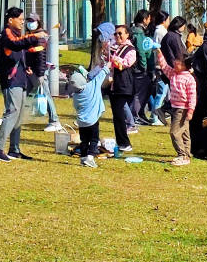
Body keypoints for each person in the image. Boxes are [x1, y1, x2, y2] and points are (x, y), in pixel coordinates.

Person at [0, 7, 46, 163]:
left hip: (21, 79)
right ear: (10, 20)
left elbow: (21, 51)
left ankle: (14, 150)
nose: (23, 21)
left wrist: (28, 65)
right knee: (12, 112)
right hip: (11, 80)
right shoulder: (6, 33)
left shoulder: (17, 35)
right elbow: (15, 45)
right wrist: (35, 36)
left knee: (19, 115)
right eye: (20, 19)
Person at [104, 22, 138, 158]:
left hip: (123, 85)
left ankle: (125, 142)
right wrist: (106, 52)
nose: (117, 36)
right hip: (113, 85)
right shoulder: (114, 48)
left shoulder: (130, 50)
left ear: (127, 35)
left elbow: (124, 64)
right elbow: (107, 62)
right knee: (117, 115)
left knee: (119, 115)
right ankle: (122, 142)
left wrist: (112, 56)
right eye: (116, 33)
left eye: (120, 33)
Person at [68, 64, 109, 167]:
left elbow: (77, 107)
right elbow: (101, 76)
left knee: (84, 141)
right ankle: (90, 158)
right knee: (94, 140)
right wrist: (107, 66)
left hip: (81, 122)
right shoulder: (91, 86)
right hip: (92, 121)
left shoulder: (76, 96)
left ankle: (83, 158)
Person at [26, 15, 62, 133]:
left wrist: (40, 74)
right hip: (32, 71)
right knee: (22, 93)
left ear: (38, 22)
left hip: (37, 72)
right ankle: (10, 117)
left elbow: (40, 57)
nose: (30, 23)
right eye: (29, 21)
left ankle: (55, 121)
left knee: (45, 95)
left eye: (32, 21)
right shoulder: (32, 35)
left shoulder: (40, 36)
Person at [165, 54, 197, 166]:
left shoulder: (189, 78)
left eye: (177, 62)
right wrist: (158, 51)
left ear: (184, 65)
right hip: (175, 108)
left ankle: (182, 154)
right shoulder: (173, 74)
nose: (174, 63)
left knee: (174, 132)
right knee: (184, 133)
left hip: (183, 109)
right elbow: (164, 66)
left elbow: (192, 96)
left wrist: (190, 111)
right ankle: (187, 154)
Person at [131, 11, 161, 127]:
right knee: (141, 92)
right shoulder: (138, 33)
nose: (149, 21)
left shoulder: (136, 31)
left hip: (137, 68)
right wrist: (144, 67)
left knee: (143, 91)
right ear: (144, 19)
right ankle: (136, 116)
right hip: (139, 69)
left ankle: (140, 113)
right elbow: (141, 51)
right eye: (148, 18)